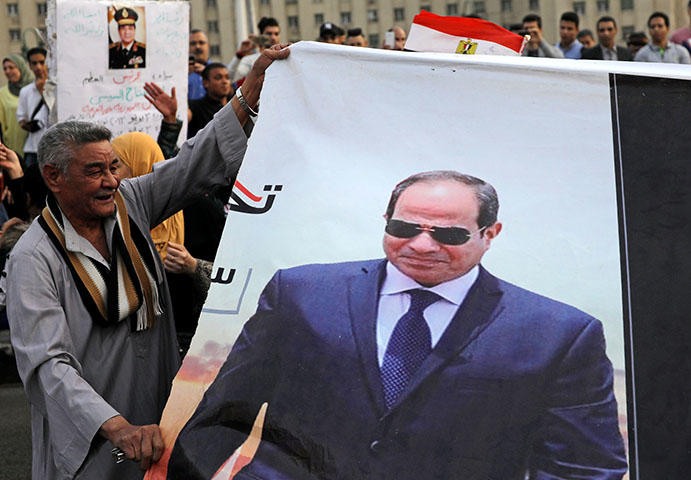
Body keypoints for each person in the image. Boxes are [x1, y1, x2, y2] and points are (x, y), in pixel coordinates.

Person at [169, 170, 628, 479]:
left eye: (448, 235)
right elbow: (224, 411)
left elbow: (583, 467)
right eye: (406, 228)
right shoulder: (301, 294)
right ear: (385, 220)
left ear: (491, 234)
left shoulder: (558, 335)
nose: (423, 246)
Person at [6, 44, 289, 480]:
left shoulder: (131, 203)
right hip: (93, 440)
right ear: (53, 177)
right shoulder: (35, 258)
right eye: (95, 171)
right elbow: (49, 366)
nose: (111, 181)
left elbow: (192, 165)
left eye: (114, 167)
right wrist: (117, 427)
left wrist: (246, 94)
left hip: (159, 424)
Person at [16, 47, 49, 168]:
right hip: (32, 148)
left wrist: (42, 92)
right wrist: (26, 124)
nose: (38, 67)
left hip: (53, 148)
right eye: (34, 63)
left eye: (42, 62)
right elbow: (21, 117)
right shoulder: (26, 91)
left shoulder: (57, 89)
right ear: (29, 66)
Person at [229, 18, 281, 82]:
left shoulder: (285, 56)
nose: (273, 37)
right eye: (269, 34)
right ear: (261, 36)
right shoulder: (250, 60)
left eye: (276, 34)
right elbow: (230, 76)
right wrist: (240, 54)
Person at [1, 54, 34, 155]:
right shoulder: (2, 93)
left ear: (21, 67)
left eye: (11, 67)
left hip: (33, 144)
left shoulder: (34, 89)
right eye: (5, 68)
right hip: (12, 146)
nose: (7, 71)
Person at [188, 29, 211, 101]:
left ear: (208, 46)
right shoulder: (181, 73)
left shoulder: (220, 70)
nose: (197, 46)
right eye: (193, 44)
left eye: (201, 43)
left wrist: (208, 73)